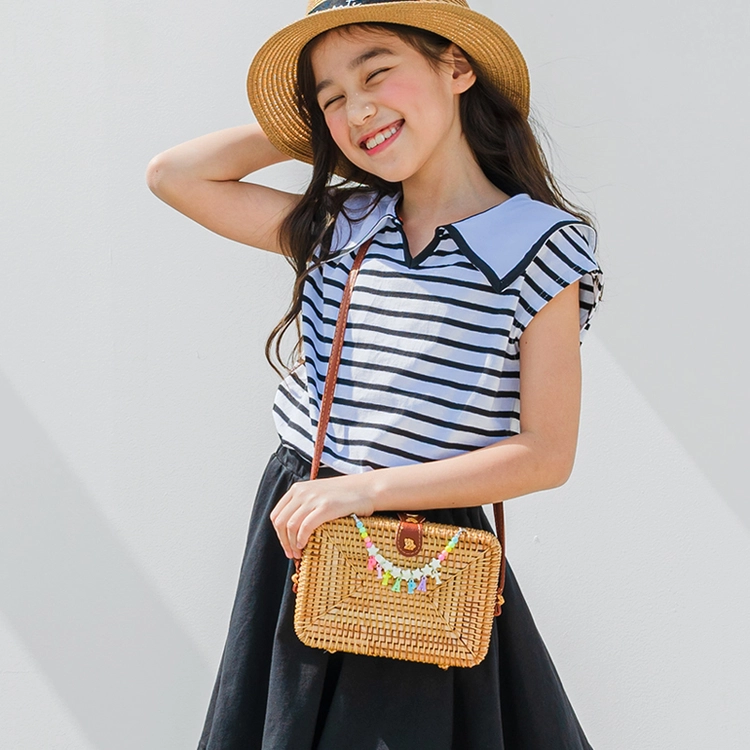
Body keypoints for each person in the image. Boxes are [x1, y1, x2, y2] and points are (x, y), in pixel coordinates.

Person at [146, 1, 605, 748]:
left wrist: (364, 492)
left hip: (420, 547)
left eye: (377, 73)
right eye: (329, 97)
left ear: (457, 66)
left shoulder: (540, 243)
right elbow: (175, 176)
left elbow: (546, 454)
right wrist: (318, 127)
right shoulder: (345, 224)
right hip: (303, 528)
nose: (356, 108)